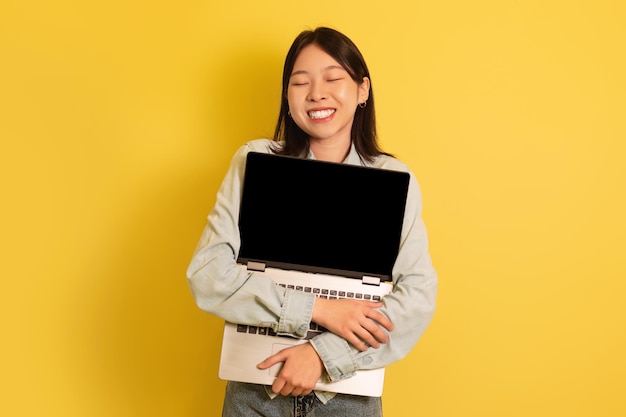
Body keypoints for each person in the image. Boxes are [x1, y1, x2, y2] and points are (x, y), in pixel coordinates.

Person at [186, 27, 437, 417]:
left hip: (347, 399)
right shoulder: (254, 160)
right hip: (255, 395)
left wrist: (323, 354)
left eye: (333, 78)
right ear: (288, 98)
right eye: (300, 82)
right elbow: (208, 274)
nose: (317, 93)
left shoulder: (392, 178)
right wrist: (319, 308)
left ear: (363, 90)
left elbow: (417, 298)